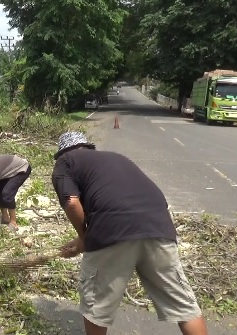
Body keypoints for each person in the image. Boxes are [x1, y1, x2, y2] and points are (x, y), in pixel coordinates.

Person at [50, 131, 208, 335]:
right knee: (184, 305)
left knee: (96, 306)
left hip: (112, 230)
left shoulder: (65, 162)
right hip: (158, 225)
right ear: (88, 147)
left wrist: (84, 238)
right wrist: (83, 238)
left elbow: (71, 202)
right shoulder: (117, 158)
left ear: (63, 152)